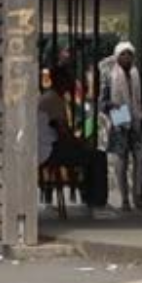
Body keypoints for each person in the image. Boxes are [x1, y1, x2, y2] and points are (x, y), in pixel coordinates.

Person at [101, 41, 142, 213]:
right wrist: (112, 105)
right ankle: (125, 199)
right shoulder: (111, 76)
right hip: (120, 119)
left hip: (137, 120)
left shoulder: (137, 74)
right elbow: (102, 102)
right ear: (117, 57)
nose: (126, 57)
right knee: (121, 161)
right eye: (123, 54)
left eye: (129, 54)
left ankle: (138, 197)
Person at [39, 66, 103, 214]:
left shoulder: (49, 97)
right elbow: (62, 132)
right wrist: (77, 143)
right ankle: (97, 202)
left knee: (88, 155)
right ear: (61, 81)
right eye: (67, 80)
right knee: (97, 157)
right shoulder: (54, 100)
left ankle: (88, 196)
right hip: (50, 150)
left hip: (46, 147)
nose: (69, 84)